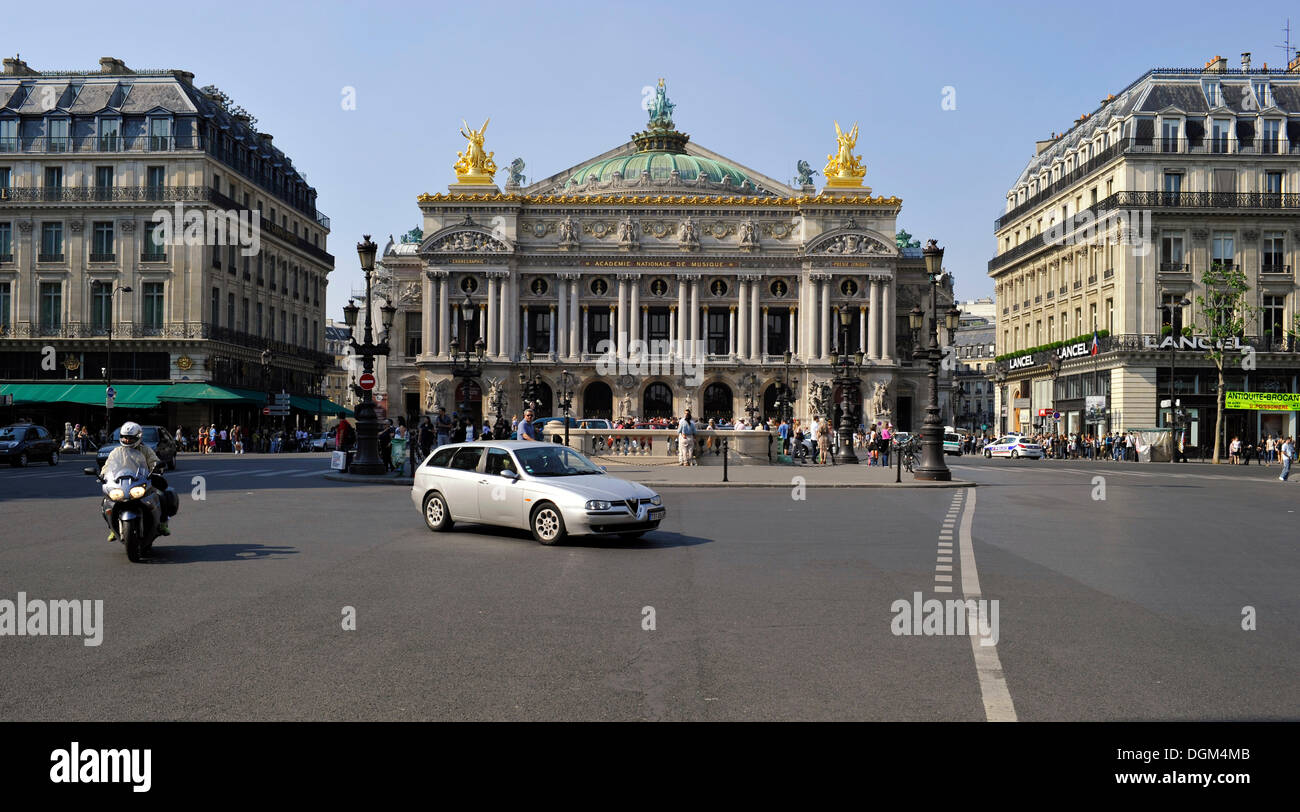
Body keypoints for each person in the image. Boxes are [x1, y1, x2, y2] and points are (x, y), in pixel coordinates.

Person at [100, 422, 170, 541]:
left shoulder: (146, 450)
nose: (127, 440)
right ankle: (112, 528)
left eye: (130, 438)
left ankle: (163, 523)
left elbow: (154, 461)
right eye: (124, 437)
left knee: (162, 496)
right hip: (121, 482)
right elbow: (107, 466)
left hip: (141, 480)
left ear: (138, 437)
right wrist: (103, 475)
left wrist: (157, 467)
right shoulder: (116, 452)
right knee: (106, 503)